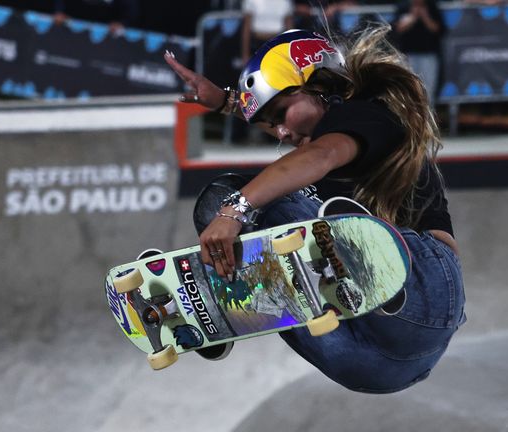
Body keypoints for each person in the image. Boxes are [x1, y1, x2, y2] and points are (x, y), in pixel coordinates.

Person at [164, 27, 465, 393]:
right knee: (255, 212)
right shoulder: (320, 125)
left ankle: (346, 261)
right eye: (270, 125)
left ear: (320, 85)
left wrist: (235, 210)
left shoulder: (368, 115)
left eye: (279, 115)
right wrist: (226, 101)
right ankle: (227, 304)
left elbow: (321, 155)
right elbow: (297, 122)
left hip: (424, 291)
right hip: (376, 367)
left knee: (236, 196)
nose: (280, 134)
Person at [391, 0, 445, 106]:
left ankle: (428, 113)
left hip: (428, 54)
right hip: (408, 55)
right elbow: (397, 29)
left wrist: (425, 17)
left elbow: (438, 30)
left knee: (428, 89)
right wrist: (413, 17)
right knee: (408, 87)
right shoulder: (403, 7)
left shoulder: (432, 6)